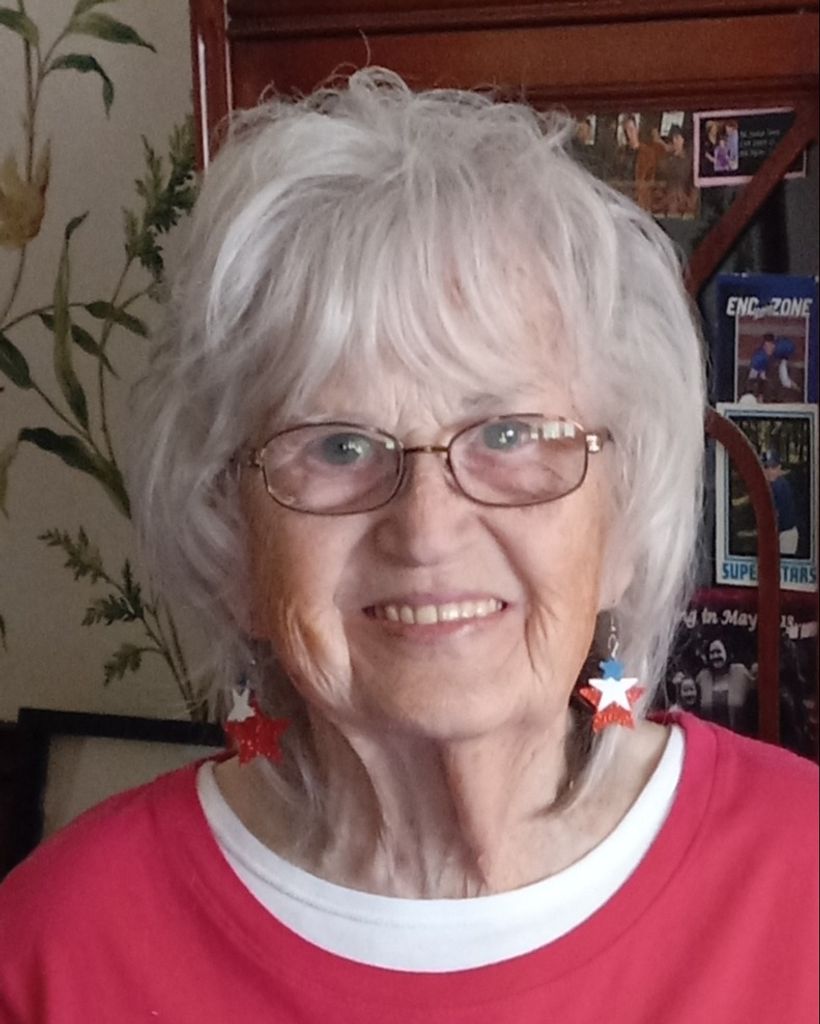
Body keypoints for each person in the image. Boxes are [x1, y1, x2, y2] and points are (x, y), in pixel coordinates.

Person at [1, 69, 817, 1023]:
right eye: (339, 447)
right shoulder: (58, 950)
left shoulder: (799, 877)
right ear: (233, 539)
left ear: (625, 518)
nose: (427, 528)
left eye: (509, 433)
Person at [695, 639, 755, 733]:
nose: (715, 656)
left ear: (727, 652)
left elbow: (758, 691)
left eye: (718, 652)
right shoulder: (702, 677)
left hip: (738, 735)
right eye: (712, 653)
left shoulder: (740, 672)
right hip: (710, 736)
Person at [762, 449, 800, 554]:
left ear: (779, 467)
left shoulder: (779, 485)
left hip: (786, 534)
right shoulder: (770, 485)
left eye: (773, 467)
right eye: (766, 467)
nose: (769, 471)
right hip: (778, 533)